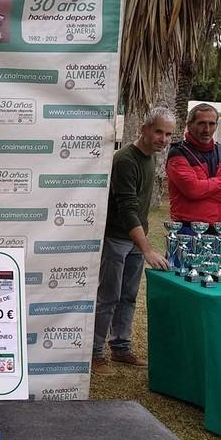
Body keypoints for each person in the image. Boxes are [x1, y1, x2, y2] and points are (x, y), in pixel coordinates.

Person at [92, 107, 175, 375]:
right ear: (145, 129)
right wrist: (147, 248)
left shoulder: (150, 158)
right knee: (108, 296)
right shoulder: (126, 160)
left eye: (168, 134)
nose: (163, 138)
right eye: (159, 131)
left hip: (135, 239)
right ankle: (95, 353)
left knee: (128, 297)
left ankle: (121, 348)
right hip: (117, 238)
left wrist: (143, 244)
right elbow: (127, 208)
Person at [166, 103, 221, 237]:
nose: (207, 129)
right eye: (201, 123)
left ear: (216, 125)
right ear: (189, 125)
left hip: (218, 230)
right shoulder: (178, 153)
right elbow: (192, 190)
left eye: (211, 124)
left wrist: (203, 189)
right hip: (187, 230)